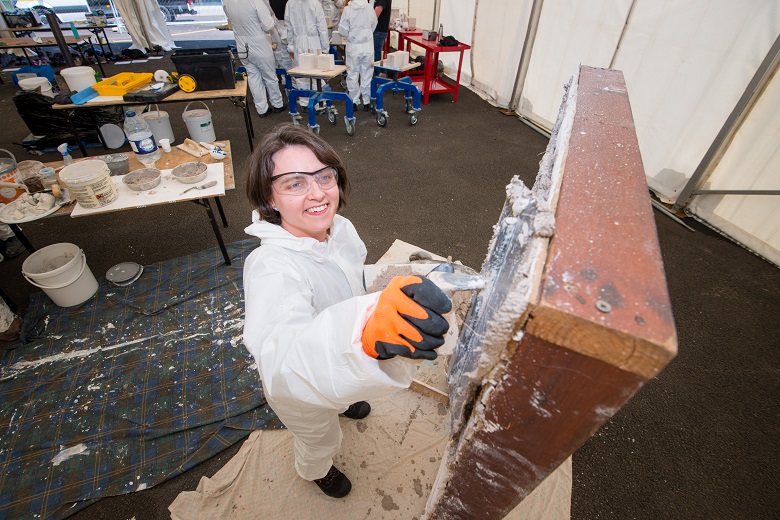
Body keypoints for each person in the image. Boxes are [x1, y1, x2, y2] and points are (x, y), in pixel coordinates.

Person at [242, 124, 452, 498]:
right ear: (269, 199)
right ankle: (315, 470)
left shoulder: (340, 229)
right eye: (294, 183)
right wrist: (362, 336)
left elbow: (351, 276)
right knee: (320, 436)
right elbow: (284, 358)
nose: (319, 192)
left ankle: (343, 399)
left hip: (343, 369)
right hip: (301, 386)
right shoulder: (271, 267)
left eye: (325, 176)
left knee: (342, 395)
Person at [223, 0, 286, 117]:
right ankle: (277, 104)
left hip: (241, 44)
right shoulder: (255, 1)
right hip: (259, 42)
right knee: (269, 75)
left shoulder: (227, 2)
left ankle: (262, 108)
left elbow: (230, 20)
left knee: (253, 76)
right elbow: (268, 26)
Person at [285, 0, 329, 106]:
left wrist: (290, 47)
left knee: (302, 73)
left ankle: (304, 102)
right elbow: (322, 28)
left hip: (298, 43)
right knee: (317, 73)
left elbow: (289, 27)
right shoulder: (315, 3)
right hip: (314, 43)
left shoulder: (290, 3)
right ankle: (318, 103)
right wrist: (325, 48)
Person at [338, 0, 376, 111]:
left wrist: (352, 35)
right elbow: (374, 24)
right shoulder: (369, 8)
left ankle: (354, 101)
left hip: (353, 46)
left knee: (352, 73)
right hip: (367, 46)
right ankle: (367, 102)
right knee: (367, 73)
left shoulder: (348, 9)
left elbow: (342, 30)